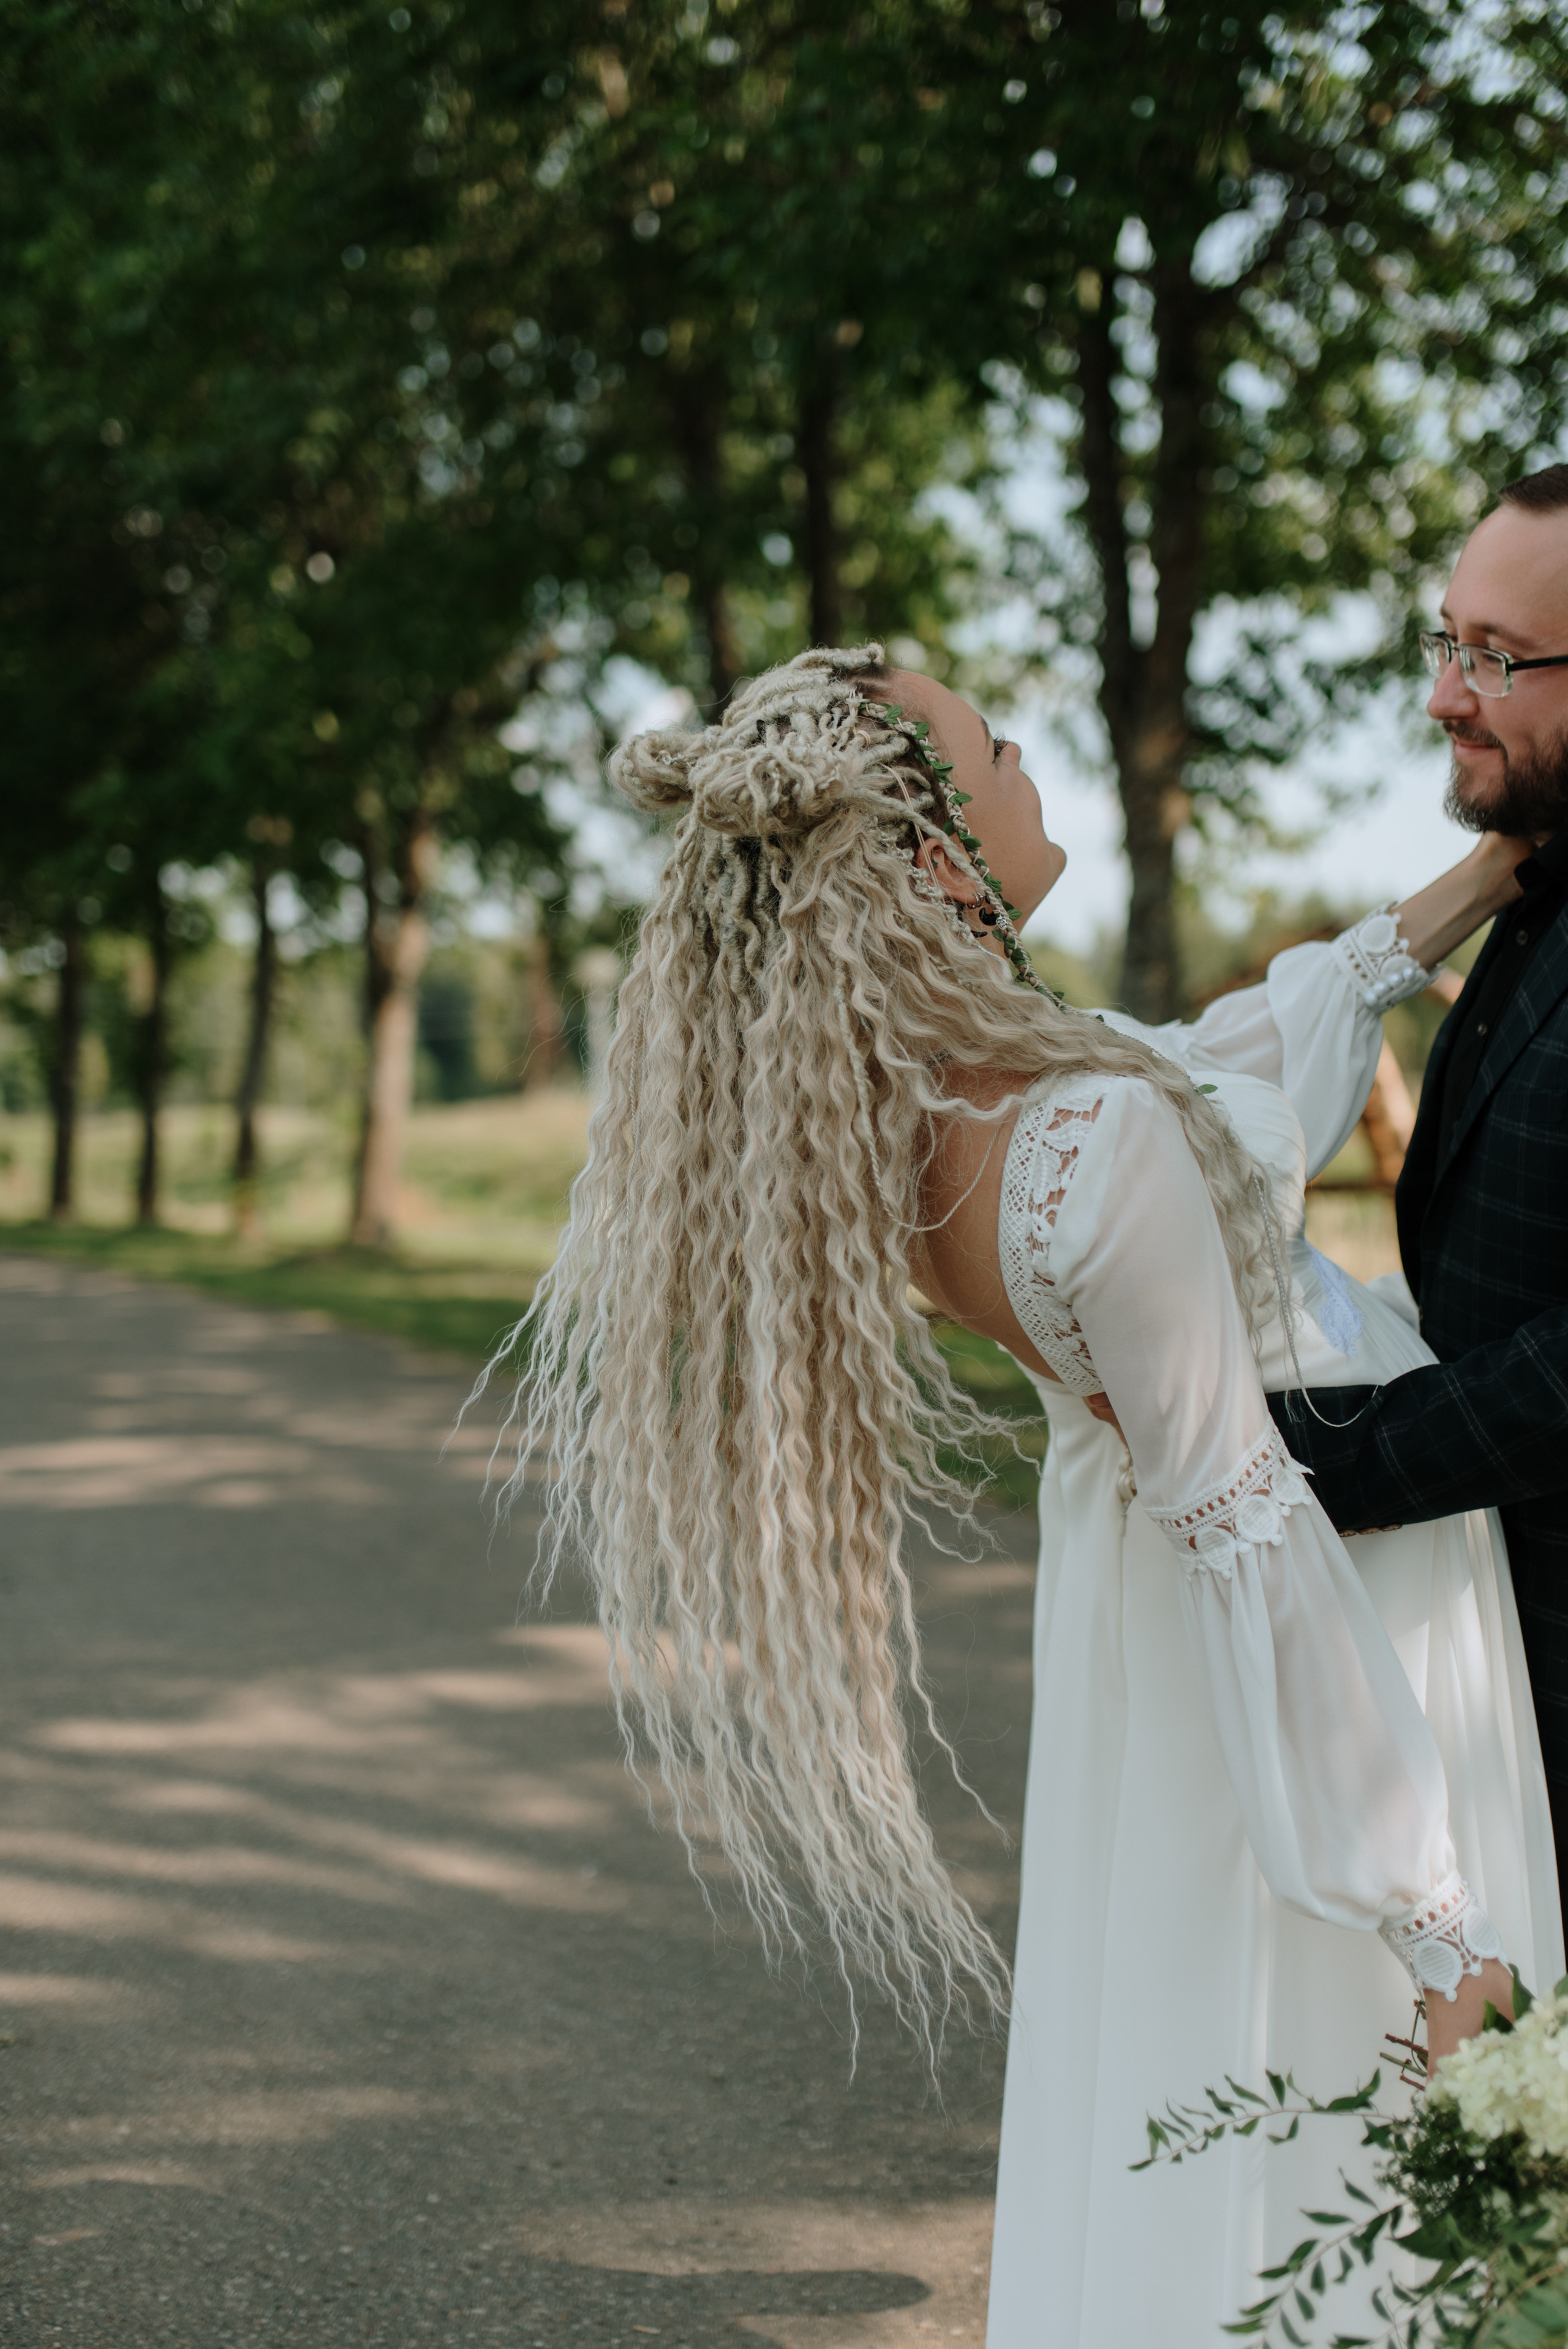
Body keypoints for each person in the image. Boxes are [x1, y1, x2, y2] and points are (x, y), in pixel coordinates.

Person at [497, 643, 1553, 2348]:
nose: (1026, 754)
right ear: (934, 852)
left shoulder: (954, 1103)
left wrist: (1472, 886)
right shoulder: (1078, 1140)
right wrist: (1434, 1927)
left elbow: (1213, 1073)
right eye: (995, 746)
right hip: (1325, 1657)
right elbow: (1260, 1535)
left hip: (1183, 1666)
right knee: (1338, 2105)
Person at [1258, 464, 1568, 1920]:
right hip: (1500, 1670)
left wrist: (1317, 1459)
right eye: (1444, 640)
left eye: (1495, 659)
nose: (1445, 695)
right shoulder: (1522, 885)